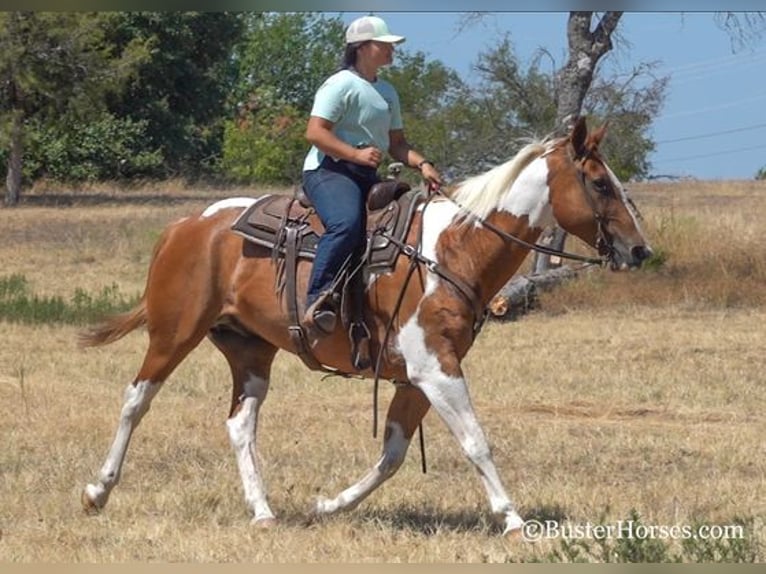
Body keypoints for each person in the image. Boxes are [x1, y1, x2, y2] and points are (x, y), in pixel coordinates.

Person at [302, 14, 443, 335]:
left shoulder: (388, 91)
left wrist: (423, 164)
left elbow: (397, 144)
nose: (392, 50)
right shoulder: (339, 85)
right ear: (363, 48)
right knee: (346, 224)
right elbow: (314, 132)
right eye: (385, 45)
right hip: (329, 170)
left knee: (407, 224)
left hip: (366, 173)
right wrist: (355, 154)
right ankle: (317, 301)